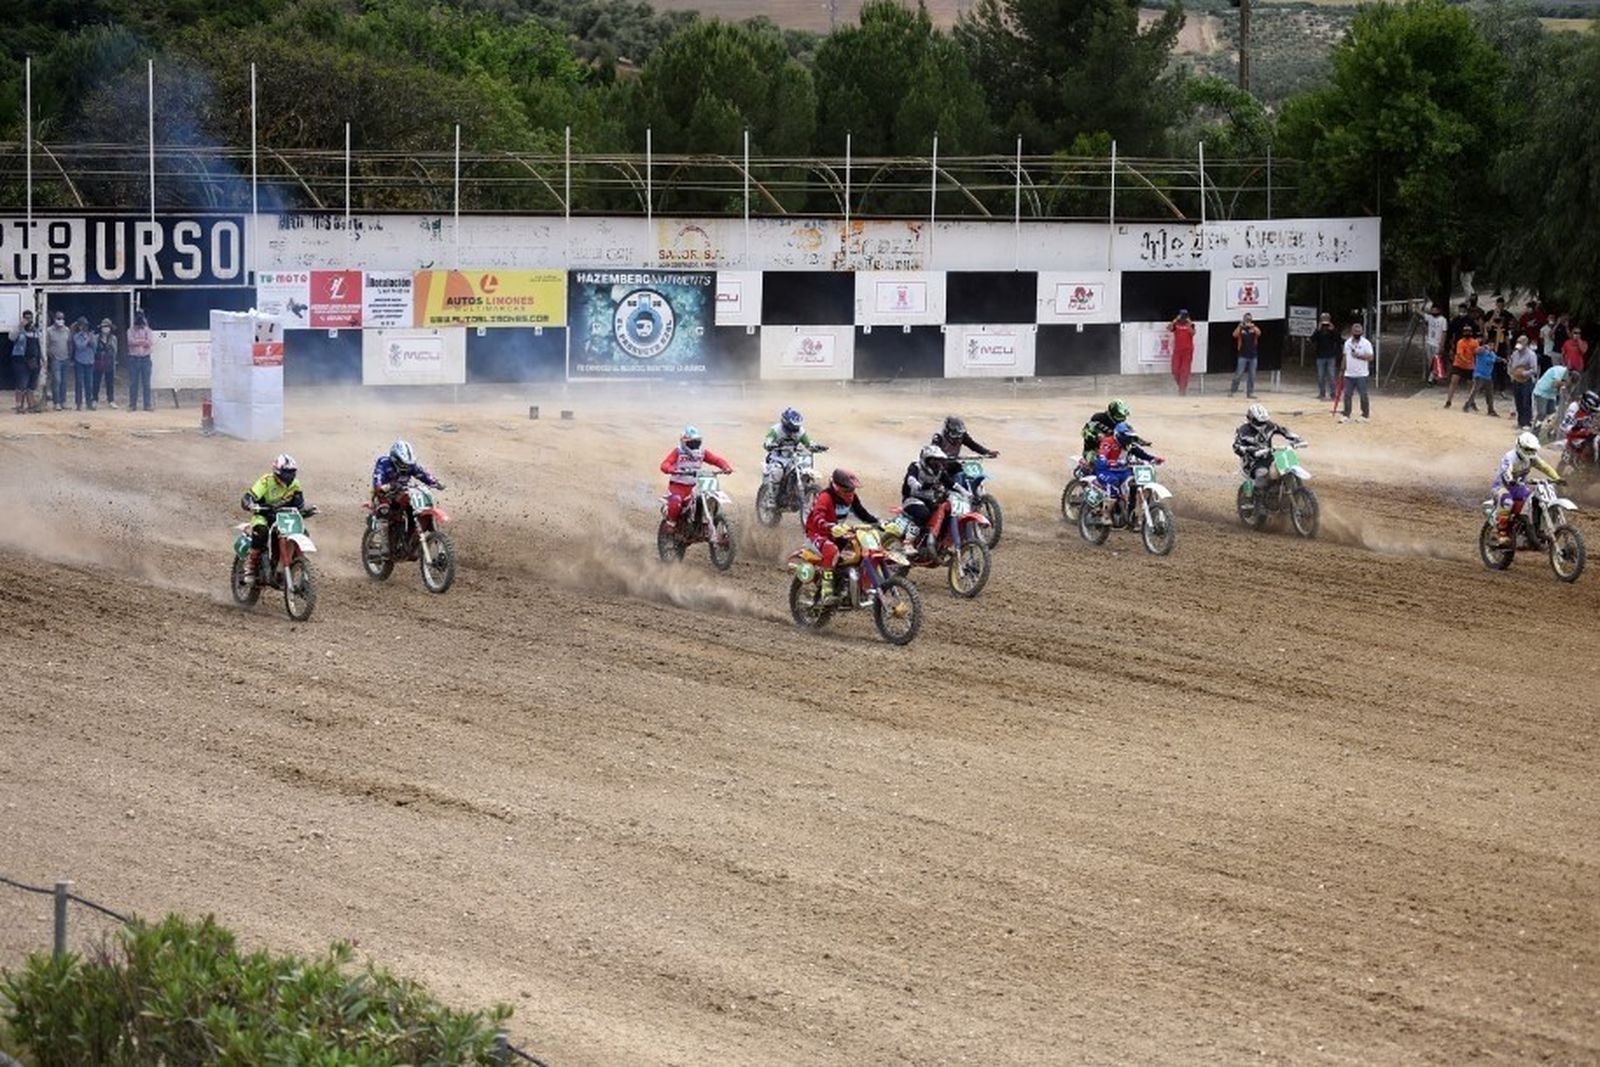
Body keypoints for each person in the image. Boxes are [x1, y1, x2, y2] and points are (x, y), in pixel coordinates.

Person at [804, 468, 879, 603]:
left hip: (836, 533)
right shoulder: (825, 497)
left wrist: (879, 522)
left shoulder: (852, 498)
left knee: (859, 548)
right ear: (837, 488)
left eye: (852, 490)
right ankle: (826, 590)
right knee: (831, 550)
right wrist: (828, 525)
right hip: (817, 534)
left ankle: (854, 586)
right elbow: (817, 516)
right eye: (847, 490)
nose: (851, 493)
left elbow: (862, 513)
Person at [241, 454, 309, 582]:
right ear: (278, 471)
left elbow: (299, 503)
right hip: (264, 515)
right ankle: (250, 565)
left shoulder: (295, 484)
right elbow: (248, 496)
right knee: (261, 532)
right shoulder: (266, 481)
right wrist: (248, 503)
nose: (290, 475)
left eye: (292, 471)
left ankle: (292, 564)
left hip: (284, 517)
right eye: (287, 471)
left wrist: (305, 510)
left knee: (304, 532)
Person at [1489, 431, 1561, 547]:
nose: (1530, 453)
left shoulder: (1532, 458)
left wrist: (1557, 478)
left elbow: (1544, 467)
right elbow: (1506, 471)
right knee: (1507, 502)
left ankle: (1535, 529)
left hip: (1519, 487)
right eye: (1528, 450)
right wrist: (1510, 479)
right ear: (1519, 446)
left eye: (1533, 450)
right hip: (1502, 486)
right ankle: (1499, 533)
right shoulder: (1510, 457)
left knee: (1536, 500)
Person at [371, 439, 444, 551]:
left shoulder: (411, 466)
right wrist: (382, 486)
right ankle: (384, 546)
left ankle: (410, 537)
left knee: (413, 507)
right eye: (402, 463)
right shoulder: (384, 462)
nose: (405, 467)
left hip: (401, 493)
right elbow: (378, 477)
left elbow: (422, 474)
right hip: (384, 495)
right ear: (394, 458)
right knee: (384, 511)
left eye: (407, 464)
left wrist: (435, 483)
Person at [659, 425, 733, 531]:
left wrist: (725, 467)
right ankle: (671, 522)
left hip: (696, 486)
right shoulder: (678, 451)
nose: (695, 445)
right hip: (678, 487)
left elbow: (716, 460)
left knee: (709, 496)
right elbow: (665, 464)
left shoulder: (702, 452)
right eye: (692, 442)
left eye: (697, 442)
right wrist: (670, 469)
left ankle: (708, 521)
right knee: (676, 501)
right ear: (684, 442)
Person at [1092, 422, 1163, 521]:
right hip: (1106, 471)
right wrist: (1108, 462)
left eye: (1130, 437)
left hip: (1123, 471)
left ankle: (1132, 514)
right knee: (1113, 483)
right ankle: (1106, 514)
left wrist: (1153, 459)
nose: (1129, 439)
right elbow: (1102, 455)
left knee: (1134, 484)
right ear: (1119, 435)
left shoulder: (1129, 445)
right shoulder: (1108, 442)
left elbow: (1141, 454)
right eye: (1127, 437)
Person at [1233, 403, 1305, 499]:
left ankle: (1291, 492)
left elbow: (1284, 431)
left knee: (1287, 466)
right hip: (1253, 461)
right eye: (1259, 422)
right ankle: (1259, 505)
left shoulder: (1269, 425)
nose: (1262, 424)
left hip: (1269, 456)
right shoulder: (1243, 431)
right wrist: (1252, 450)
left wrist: (1297, 439)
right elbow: (1236, 447)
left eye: (1264, 421)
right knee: (1262, 474)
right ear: (1251, 419)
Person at [899, 444, 958, 560]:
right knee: (923, 514)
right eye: (934, 461)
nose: (937, 464)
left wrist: (965, 492)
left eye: (939, 461)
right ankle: (908, 543)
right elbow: (911, 478)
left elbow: (951, 483)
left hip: (929, 501)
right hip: (912, 499)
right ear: (927, 460)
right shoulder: (915, 467)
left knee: (945, 513)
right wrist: (917, 485)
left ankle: (939, 542)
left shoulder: (939, 472)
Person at [762, 406, 826, 488]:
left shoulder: (800, 432)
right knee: (777, 473)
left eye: (797, 426)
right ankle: (771, 497)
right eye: (793, 426)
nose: (795, 428)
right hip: (777, 457)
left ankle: (803, 488)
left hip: (793, 457)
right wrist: (769, 445)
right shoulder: (775, 430)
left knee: (805, 466)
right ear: (786, 422)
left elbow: (808, 443)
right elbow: (767, 442)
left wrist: (816, 447)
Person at [1338, 321, 1374, 423]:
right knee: (1347, 395)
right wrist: (1342, 369)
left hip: (1361, 374)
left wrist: (1359, 356)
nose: (1357, 333)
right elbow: (1345, 357)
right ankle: (1346, 414)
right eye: (1355, 331)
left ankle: (1365, 415)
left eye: (1359, 331)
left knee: (1363, 394)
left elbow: (1371, 357)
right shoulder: (1347, 343)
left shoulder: (1366, 343)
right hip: (1349, 373)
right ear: (1352, 331)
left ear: (1362, 332)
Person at [10, 310, 40, 414]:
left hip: (33, 360)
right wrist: (20, 327)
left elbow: (38, 345)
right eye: (26, 318)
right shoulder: (18, 329)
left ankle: (31, 405)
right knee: (21, 384)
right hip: (20, 360)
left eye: (30, 318)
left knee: (31, 384)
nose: (28, 320)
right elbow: (11, 337)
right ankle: (19, 406)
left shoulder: (35, 330)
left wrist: (41, 359)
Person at [931, 415, 998, 460]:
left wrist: (987, 452)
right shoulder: (938, 437)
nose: (957, 436)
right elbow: (933, 452)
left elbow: (973, 445)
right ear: (948, 430)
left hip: (955, 461)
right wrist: (939, 459)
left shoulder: (962, 436)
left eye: (959, 433)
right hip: (940, 464)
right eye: (955, 433)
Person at [125, 310, 154, 412]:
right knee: (133, 383)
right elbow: (130, 342)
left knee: (146, 383)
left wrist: (138, 342)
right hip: (134, 358)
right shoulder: (130, 330)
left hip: (145, 358)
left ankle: (147, 405)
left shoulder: (148, 330)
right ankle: (132, 405)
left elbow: (149, 342)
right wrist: (143, 341)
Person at [1464, 336, 1501, 417]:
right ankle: (1467, 405)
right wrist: (1485, 347)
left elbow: (1496, 359)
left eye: (1493, 345)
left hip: (1488, 376)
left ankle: (1490, 410)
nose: (1491, 346)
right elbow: (1476, 351)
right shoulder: (1482, 350)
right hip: (1479, 375)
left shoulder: (1492, 353)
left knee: (1490, 394)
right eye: (1490, 345)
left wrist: (1502, 360)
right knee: (1475, 391)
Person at [1508, 335, 1540, 429]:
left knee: (1526, 401)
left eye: (1521, 342)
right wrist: (1511, 374)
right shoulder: (1515, 354)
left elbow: (1534, 369)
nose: (1519, 343)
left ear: (1526, 343)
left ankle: (1527, 422)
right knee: (1518, 401)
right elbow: (1510, 364)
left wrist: (1524, 373)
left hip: (1527, 380)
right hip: (1516, 379)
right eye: (1518, 341)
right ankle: (1520, 421)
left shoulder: (1531, 354)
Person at [1229, 314, 1262, 398]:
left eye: (1249, 319)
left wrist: (1252, 326)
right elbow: (1234, 335)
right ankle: (1233, 390)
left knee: (1252, 375)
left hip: (1253, 355)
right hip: (1243, 355)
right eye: (1246, 319)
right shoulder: (1241, 328)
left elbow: (1259, 333)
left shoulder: (1253, 328)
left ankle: (1250, 392)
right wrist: (1240, 326)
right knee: (1238, 374)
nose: (1248, 321)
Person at [44, 310, 70, 411]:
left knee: (64, 381)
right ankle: (56, 402)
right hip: (55, 360)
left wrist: (69, 355)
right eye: (59, 318)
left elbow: (69, 343)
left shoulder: (67, 330)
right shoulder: (49, 331)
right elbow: (46, 345)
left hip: (65, 358)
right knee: (57, 380)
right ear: (55, 319)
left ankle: (63, 402)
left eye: (62, 318)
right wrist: (50, 355)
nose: (61, 320)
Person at [1312, 314, 1342, 400]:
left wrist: (1333, 330)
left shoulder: (1332, 330)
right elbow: (1312, 340)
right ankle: (1322, 393)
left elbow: (1339, 340)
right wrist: (1317, 330)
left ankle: (1333, 393)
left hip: (1331, 356)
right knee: (1320, 376)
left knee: (1331, 376)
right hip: (1320, 356)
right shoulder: (1318, 331)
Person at [1169, 310, 1196, 396]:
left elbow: (1193, 333)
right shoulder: (1176, 324)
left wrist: (1189, 323)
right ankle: (1181, 386)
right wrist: (1175, 320)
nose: (1183, 319)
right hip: (1177, 350)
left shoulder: (1190, 324)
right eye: (1182, 316)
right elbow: (1169, 328)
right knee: (1175, 370)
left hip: (1187, 351)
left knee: (1184, 371)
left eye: (1184, 317)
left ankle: (1182, 390)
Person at [93, 317, 118, 409]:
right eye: (104, 326)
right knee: (96, 381)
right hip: (98, 361)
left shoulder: (113, 338)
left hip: (109, 362)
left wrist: (114, 362)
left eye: (107, 326)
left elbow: (115, 351)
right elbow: (94, 350)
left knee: (110, 382)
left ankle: (111, 400)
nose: (106, 328)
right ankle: (94, 400)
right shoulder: (96, 338)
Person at [70, 317, 95, 410]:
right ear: (79, 326)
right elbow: (80, 346)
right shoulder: (76, 336)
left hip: (90, 361)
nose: (84, 327)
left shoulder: (91, 335)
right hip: (79, 361)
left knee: (89, 383)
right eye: (82, 325)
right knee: (79, 383)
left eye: (85, 325)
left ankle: (89, 403)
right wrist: (87, 340)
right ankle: (78, 404)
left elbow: (94, 347)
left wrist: (91, 339)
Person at [1422, 303, 1448, 382]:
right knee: (1430, 360)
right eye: (1433, 310)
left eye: (1435, 310)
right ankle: (1434, 375)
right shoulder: (1430, 318)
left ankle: (1431, 378)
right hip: (1429, 342)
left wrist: (1442, 344)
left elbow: (1444, 332)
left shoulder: (1443, 320)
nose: (1434, 311)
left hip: (1437, 343)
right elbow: (1422, 314)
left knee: (1436, 360)